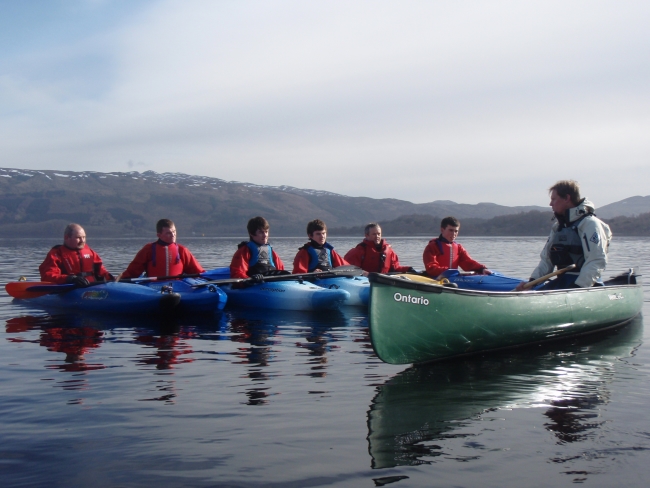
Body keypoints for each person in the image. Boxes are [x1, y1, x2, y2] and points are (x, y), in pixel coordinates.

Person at [515, 180, 612, 291]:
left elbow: (596, 260)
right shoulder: (558, 227)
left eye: (553, 199)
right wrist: (532, 282)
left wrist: (578, 288)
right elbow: (547, 260)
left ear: (566, 198)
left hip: (586, 286)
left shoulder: (590, 224)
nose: (550, 204)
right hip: (563, 283)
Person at [118, 219, 205, 279]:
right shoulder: (148, 249)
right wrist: (120, 279)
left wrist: (209, 278)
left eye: (174, 232)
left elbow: (197, 271)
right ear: (159, 235)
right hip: (153, 287)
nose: (173, 235)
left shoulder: (182, 250)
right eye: (168, 233)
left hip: (178, 286)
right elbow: (133, 270)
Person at [39, 223, 114, 286]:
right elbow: (48, 276)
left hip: (91, 287)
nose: (82, 241)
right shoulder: (56, 254)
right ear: (67, 237)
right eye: (78, 238)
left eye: (84, 237)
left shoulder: (91, 252)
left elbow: (101, 271)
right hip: (67, 289)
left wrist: (111, 278)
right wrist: (70, 278)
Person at [422, 216, 492, 278]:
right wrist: (448, 271)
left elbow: (468, 262)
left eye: (456, 231)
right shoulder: (432, 247)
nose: (454, 234)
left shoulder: (458, 247)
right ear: (442, 230)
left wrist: (482, 269)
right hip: (435, 280)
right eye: (451, 230)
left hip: (452, 280)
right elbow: (431, 268)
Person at [230, 216, 287, 281]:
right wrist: (250, 280)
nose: (265, 235)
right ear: (252, 234)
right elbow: (237, 274)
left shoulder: (272, 252)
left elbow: (281, 271)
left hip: (270, 285)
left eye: (266, 232)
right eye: (261, 232)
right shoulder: (244, 251)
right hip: (252, 286)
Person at [344, 223, 415, 274]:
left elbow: (395, 268)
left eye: (379, 234)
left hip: (383, 281)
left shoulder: (389, 251)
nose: (377, 236)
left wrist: (409, 269)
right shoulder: (358, 251)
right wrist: (365, 274)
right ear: (367, 235)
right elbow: (349, 269)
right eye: (374, 234)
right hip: (364, 282)